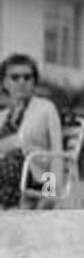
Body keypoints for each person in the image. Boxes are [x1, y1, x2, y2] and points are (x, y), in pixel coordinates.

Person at [0, 53, 62, 209]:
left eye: (27, 77)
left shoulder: (46, 109)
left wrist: (50, 193)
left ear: (34, 81)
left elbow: (57, 155)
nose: (22, 82)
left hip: (35, 180)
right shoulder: (2, 116)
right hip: (5, 179)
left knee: (14, 156)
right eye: (15, 77)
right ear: (4, 83)